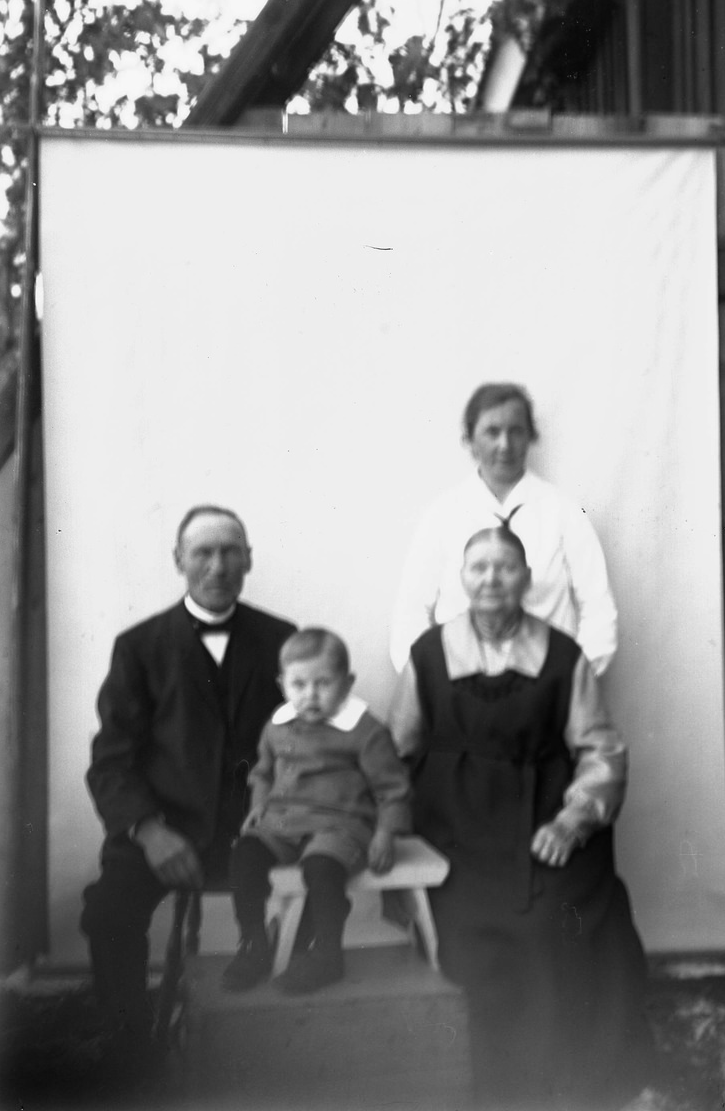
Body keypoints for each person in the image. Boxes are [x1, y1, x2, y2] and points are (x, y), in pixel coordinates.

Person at [384, 526, 653, 1110]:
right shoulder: (428, 655)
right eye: (478, 567)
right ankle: (497, 1091)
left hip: (542, 823)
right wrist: (389, 829)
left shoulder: (562, 655)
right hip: (453, 832)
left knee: (569, 919)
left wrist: (571, 822)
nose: (491, 579)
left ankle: (578, 1085)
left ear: (527, 580)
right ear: (461, 579)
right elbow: (395, 753)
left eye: (505, 568)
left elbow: (601, 750)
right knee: (476, 937)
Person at [81, 505, 296, 1066]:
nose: (218, 565)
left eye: (230, 551)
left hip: (252, 829)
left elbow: (303, 744)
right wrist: (149, 832)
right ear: (178, 560)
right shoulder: (139, 647)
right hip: (165, 827)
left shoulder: (284, 640)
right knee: (109, 910)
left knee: (323, 881)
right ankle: (129, 1049)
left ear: (249, 560)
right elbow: (110, 761)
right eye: (203, 552)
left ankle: (284, 1049)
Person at [222, 627, 411, 995]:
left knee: (321, 868)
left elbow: (393, 788)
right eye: (299, 684)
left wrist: (386, 833)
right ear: (282, 684)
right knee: (244, 855)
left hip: (341, 823)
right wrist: (259, 805)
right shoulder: (277, 726)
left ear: (347, 681)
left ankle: (326, 953)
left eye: (323, 683)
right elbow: (262, 772)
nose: (310, 695)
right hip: (284, 820)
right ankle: (254, 944)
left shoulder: (365, 730)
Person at [389, 382, 618, 676]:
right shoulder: (442, 515)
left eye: (516, 431)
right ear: (470, 440)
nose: (505, 445)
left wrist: (573, 686)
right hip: (461, 690)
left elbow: (598, 609)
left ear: (530, 437)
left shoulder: (564, 513)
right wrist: (430, 687)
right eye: (492, 432)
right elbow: (411, 612)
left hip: (546, 689)